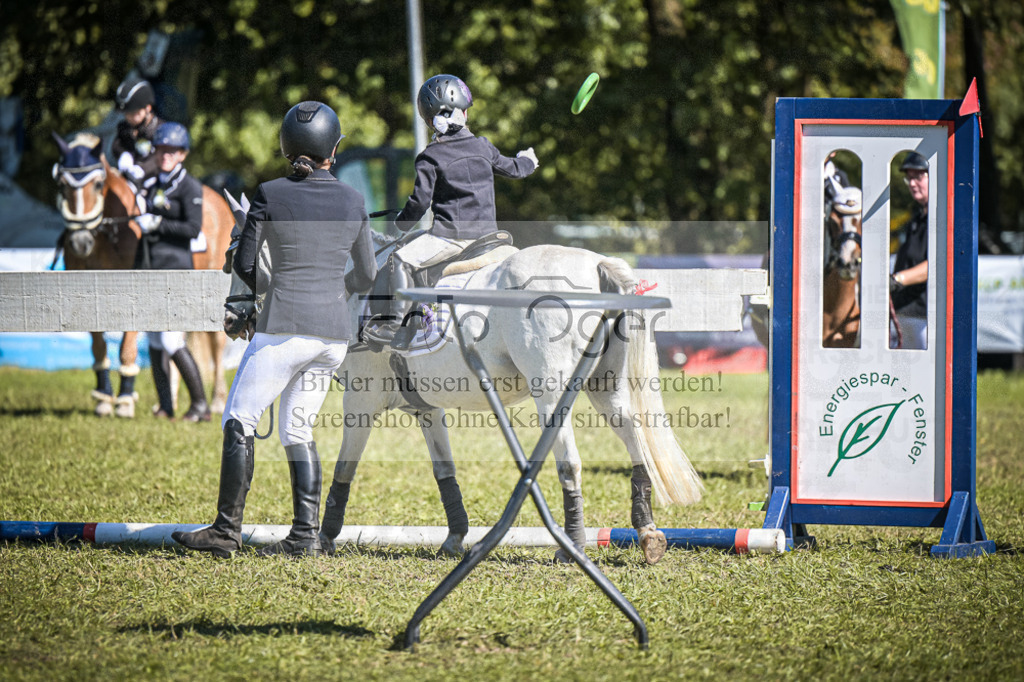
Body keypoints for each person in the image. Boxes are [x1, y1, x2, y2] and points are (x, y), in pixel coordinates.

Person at [173, 101, 377, 557]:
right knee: (297, 430)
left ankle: (226, 532)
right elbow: (365, 276)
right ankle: (305, 536)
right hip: (333, 338)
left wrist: (264, 295)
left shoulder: (269, 192)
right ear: (334, 150)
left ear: (287, 147)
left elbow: (246, 264)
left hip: (285, 326)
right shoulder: (353, 199)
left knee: (239, 418)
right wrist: (331, 292)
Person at [388, 74, 538, 350]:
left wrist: (399, 224)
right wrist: (528, 159)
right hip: (490, 236)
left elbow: (419, 204)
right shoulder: (483, 146)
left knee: (399, 260)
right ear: (464, 113)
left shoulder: (430, 156)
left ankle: (401, 326)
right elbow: (515, 169)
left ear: (429, 120)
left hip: (452, 238)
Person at [133, 121, 211, 422]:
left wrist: (157, 224)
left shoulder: (190, 186)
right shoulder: (153, 185)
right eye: (162, 149)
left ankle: (200, 405)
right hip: (151, 270)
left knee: (171, 340)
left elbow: (193, 229)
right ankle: (166, 406)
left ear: (183, 154)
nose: (166, 155)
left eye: (172, 150)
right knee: (153, 340)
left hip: (176, 271)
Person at [890, 151, 929, 349]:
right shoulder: (916, 215)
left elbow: (938, 263)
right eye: (909, 178)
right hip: (903, 310)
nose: (912, 183)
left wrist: (897, 280)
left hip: (925, 315)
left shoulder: (943, 216)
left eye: (919, 176)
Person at [111, 75, 164, 188]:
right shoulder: (125, 127)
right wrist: (123, 154)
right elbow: (117, 145)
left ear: (148, 108)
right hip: (129, 180)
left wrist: (143, 169)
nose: (129, 117)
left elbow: (161, 157)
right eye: (126, 114)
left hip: (157, 182)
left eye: (133, 113)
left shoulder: (161, 130)